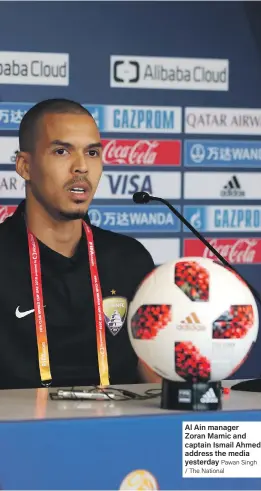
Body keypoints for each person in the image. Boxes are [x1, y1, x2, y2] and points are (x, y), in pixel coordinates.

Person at [0, 98, 160, 390]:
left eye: (92, 152)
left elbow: (153, 372)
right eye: (62, 151)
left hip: (120, 432)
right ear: (25, 166)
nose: (82, 167)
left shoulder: (129, 258)